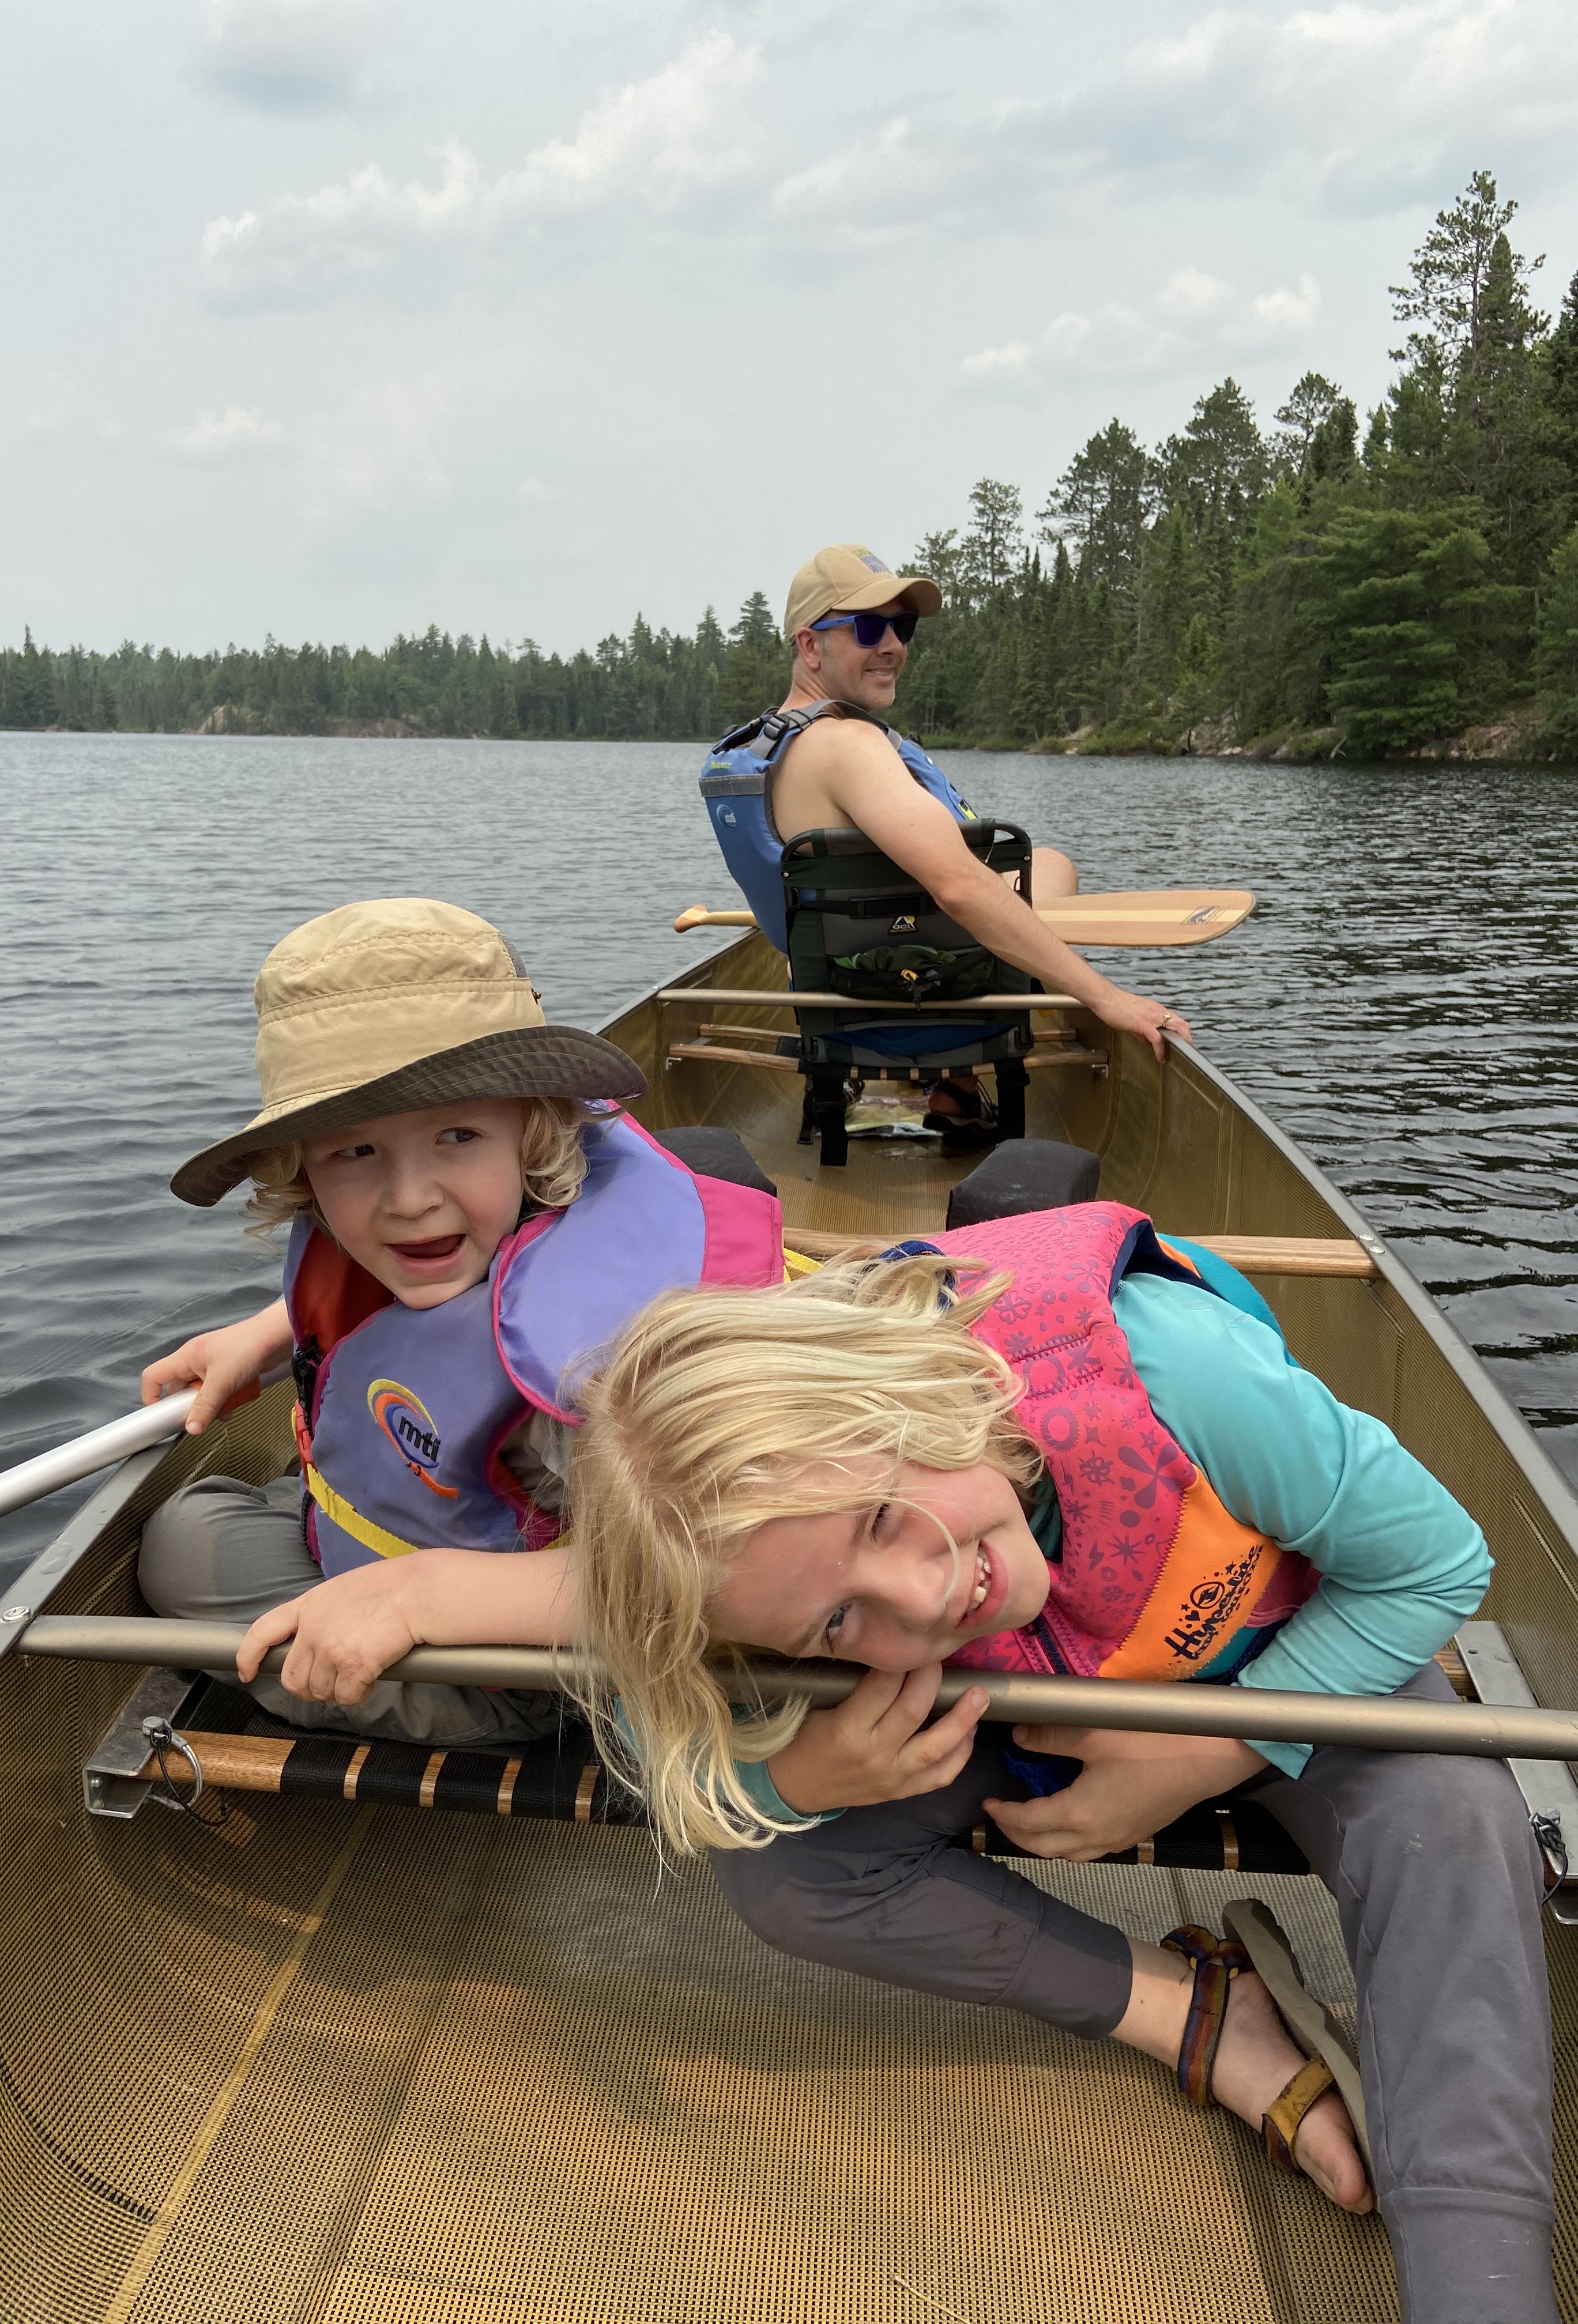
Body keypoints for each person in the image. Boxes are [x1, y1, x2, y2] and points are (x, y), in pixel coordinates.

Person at [559, 1210, 1556, 2324]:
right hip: (1028, 1705)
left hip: (1298, 1654)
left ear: (914, 1388)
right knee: (788, 1870)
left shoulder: (1178, 1372)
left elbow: (1434, 1562)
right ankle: (1197, 2017)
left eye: (885, 1513)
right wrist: (811, 1776)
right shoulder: (759, 1566)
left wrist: (1201, 1752)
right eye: (840, 1619)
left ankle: (1480, 2276)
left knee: (1456, 1811)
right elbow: (661, 1735)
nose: (923, 1592)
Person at [136, 896, 783, 1746]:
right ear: (304, 1174)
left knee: (184, 1547)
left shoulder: (601, 1363)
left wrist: (424, 1598)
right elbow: (428, 1302)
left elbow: (708, 1576)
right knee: (205, 1517)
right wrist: (267, 1331)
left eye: (457, 1136)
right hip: (420, 1519)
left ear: (535, 1132)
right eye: (355, 1153)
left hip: (541, 1662)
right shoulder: (466, 1226)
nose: (411, 1199)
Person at [701, 544, 1192, 1131]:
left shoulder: (770, 755)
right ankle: (955, 1078)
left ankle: (931, 1085)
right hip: (926, 996)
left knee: (1051, 866)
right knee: (1042, 872)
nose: (894, 647)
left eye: (902, 627)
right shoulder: (851, 745)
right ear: (811, 646)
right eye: (868, 628)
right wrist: (1108, 1000)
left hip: (834, 1001)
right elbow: (958, 887)